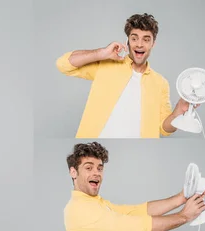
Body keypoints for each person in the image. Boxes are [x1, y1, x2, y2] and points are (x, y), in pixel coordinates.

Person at [56, 13, 196, 138]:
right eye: (134, 38)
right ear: (127, 41)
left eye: (146, 39)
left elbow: (164, 129)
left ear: (153, 44)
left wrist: (178, 111)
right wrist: (101, 53)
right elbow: (63, 64)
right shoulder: (106, 65)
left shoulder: (161, 83)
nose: (139, 44)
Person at [64, 142, 205, 231]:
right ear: (73, 172)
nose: (96, 173)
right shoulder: (78, 209)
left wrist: (181, 198)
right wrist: (184, 216)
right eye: (88, 167)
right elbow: (135, 225)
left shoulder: (97, 203)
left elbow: (137, 212)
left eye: (100, 168)